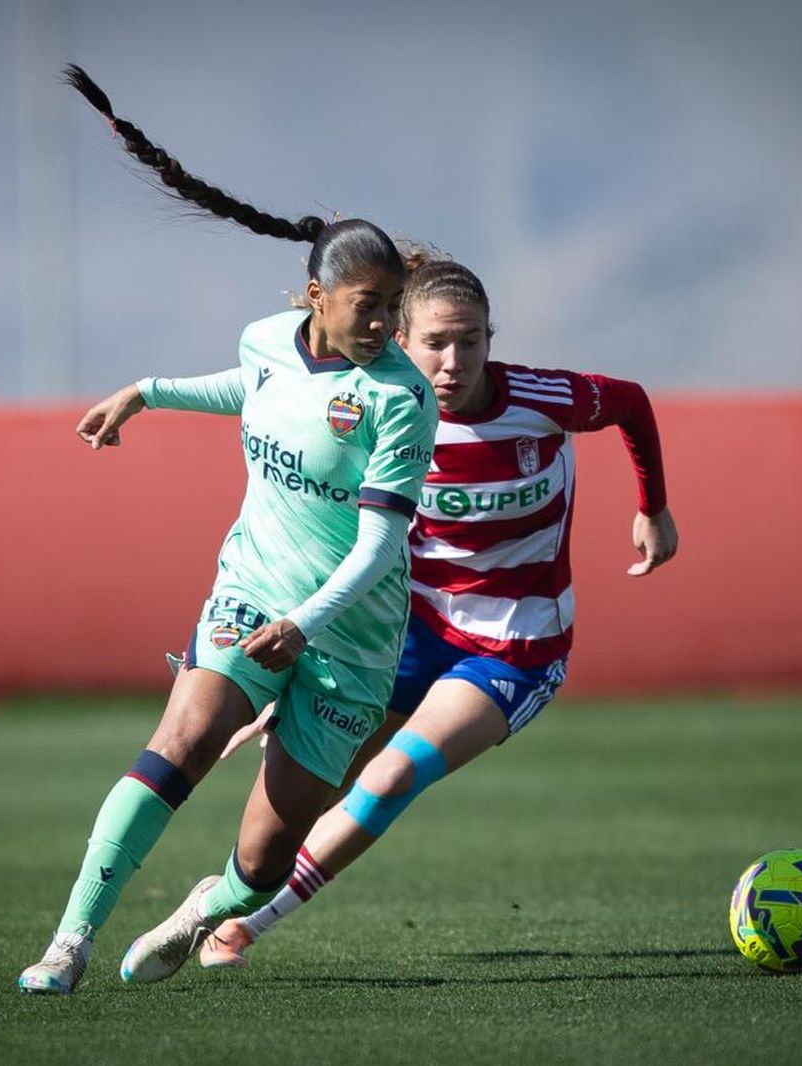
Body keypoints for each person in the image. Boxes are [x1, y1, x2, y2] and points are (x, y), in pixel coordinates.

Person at [17, 67, 439, 994]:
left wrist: (307, 626)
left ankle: (204, 907)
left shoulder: (402, 398)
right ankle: (68, 943)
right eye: (366, 305)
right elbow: (252, 388)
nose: (383, 323)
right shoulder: (264, 340)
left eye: (392, 308)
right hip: (251, 592)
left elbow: (379, 548)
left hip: (351, 635)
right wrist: (146, 392)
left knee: (268, 852)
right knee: (181, 742)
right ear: (314, 297)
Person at [196, 254, 678, 968]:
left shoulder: (542, 400)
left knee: (392, 775)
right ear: (400, 339)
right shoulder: (380, 410)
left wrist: (653, 509)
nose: (454, 363)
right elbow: (337, 537)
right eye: (436, 344)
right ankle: (221, 897)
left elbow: (631, 403)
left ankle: (244, 926)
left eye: (471, 341)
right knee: (319, 779)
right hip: (411, 632)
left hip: (515, 646)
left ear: (490, 338)